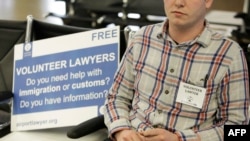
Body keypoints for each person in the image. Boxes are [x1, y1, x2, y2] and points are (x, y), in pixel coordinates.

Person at [103, 0, 250, 141]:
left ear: (207, 1)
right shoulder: (142, 38)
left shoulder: (230, 54)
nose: (179, 2)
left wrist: (180, 139)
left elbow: (239, 131)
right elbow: (116, 98)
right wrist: (121, 130)